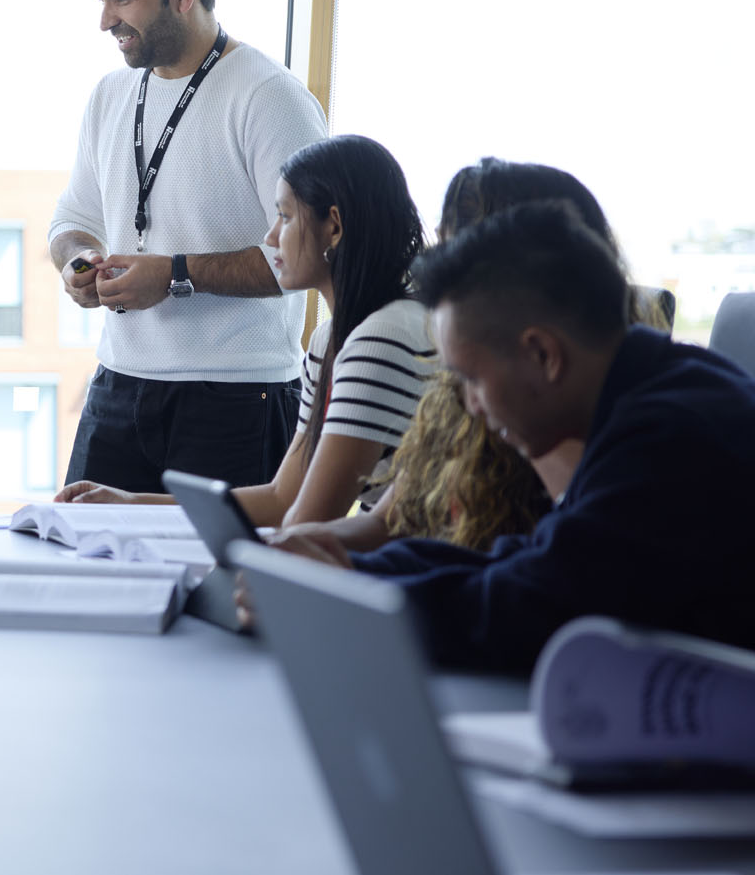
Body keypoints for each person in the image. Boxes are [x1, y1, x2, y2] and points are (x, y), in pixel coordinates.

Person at [269, 201, 755, 673]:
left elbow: (535, 605)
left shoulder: (669, 441)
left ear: (543, 354)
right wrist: (343, 566)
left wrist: (348, 593)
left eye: (473, 379)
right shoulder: (652, 391)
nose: (471, 405)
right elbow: (535, 558)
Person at [50, 0, 327, 493]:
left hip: (237, 396)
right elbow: (73, 220)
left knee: (219, 583)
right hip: (119, 384)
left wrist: (175, 276)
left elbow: (311, 257)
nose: (105, 21)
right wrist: (77, 261)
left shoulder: (270, 98)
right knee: (85, 559)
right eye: (102, 0)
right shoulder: (110, 95)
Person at [286, 158, 661, 555]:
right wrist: (300, 547)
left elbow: (532, 583)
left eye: (452, 256)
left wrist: (359, 571)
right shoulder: (463, 393)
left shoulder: (579, 419)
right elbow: (387, 523)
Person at [57, 135, 432, 526]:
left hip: (414, 575)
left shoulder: (379, 340)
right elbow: (283, 498)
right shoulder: (332, 340)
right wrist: (132, 505)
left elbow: (308, 520)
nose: (271, 238)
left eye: (285, 217)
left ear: (333, 227)